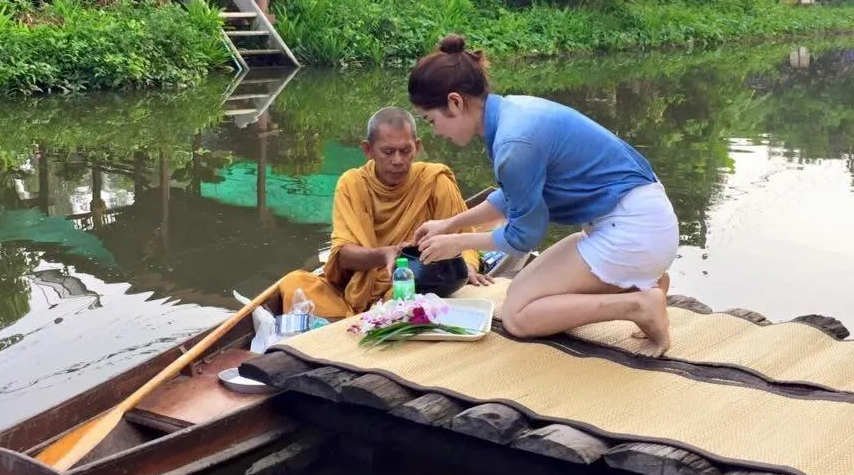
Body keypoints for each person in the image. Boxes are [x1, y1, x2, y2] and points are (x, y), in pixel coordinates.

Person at [408, 35, 679, 357]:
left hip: (635, 233)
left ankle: (639, 303)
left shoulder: (513, 144)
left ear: (455, 102)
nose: (436, 131)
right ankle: (644, 282)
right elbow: (514, 198)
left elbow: (525, 235)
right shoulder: (513, 114)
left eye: (431, 120)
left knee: (519, 317)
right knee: (522, 293)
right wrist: (450, 224)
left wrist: (457, 243)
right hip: (638, 221)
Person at [278, 106, 492, 320]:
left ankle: (368, 319)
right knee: (293, 284)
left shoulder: (435, 180)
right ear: (368, 150)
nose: (398, 160)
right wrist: (386, 254)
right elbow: (342, 255)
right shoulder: (352, 184)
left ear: (417, 147)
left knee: (420, 297)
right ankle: (372, 316)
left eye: (405, 151)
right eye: (388, 152)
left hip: (418, 282)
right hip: (363, 283)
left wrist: (469, 267)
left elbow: (463, 236)